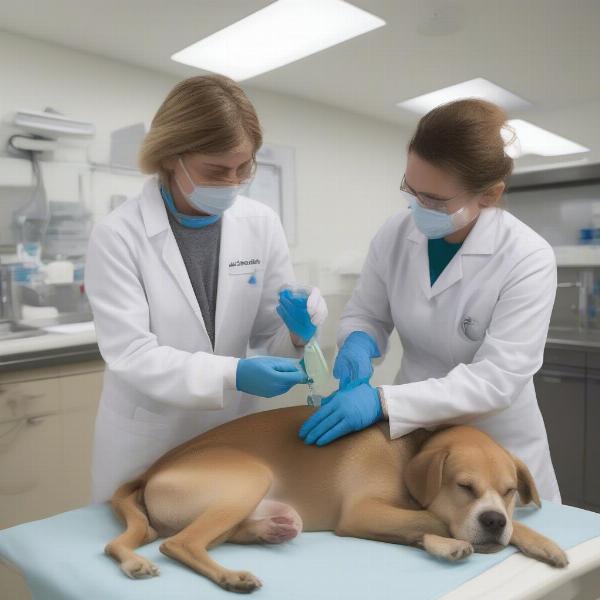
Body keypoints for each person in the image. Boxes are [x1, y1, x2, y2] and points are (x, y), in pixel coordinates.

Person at [299, 99, 561, 502]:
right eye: (412, 190)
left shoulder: (528, 257)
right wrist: (359, 341)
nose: (419, 208)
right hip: (420, 442)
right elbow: (368, 311)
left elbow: (496, 380)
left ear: (489, 195)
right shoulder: (396, 232)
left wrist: (383, 401)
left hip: (497, 451)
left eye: (436, 200)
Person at [86, 75, 327, 502]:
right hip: (149, 437)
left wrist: (294, 331)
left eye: (244, 168)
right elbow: (132, 354)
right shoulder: (118, 234)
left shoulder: (261, 223)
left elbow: (267, 336)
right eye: (216, 170)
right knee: (142, 539)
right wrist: (235, 373)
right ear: (170, 157)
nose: (232, 183)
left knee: (222, 534)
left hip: (231, 431)